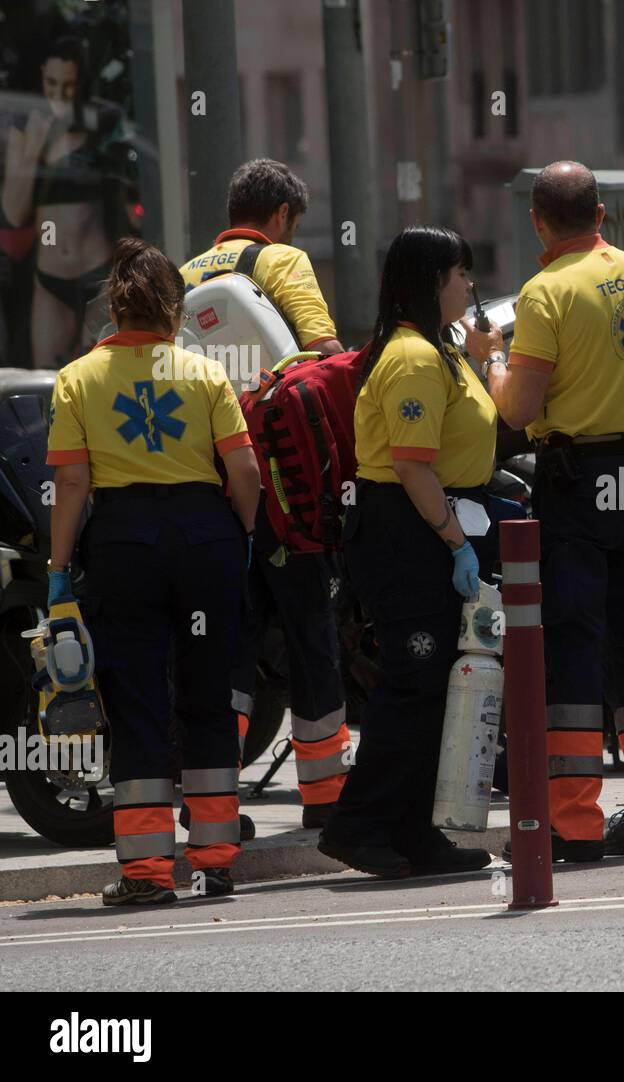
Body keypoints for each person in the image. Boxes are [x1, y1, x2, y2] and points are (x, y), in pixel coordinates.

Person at [485, 161, 624, 861]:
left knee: (573, 646)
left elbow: (516, 410)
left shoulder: (545, 292)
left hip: (576, 484)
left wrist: (488, 364)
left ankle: (574, 824)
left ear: (538, 221)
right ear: (602, 214)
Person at [46, 237, 262, 905]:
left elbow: (74, 484)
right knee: (207, 699)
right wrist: (241, 538)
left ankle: (144, 873)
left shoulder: (78, 378)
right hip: (205, 539)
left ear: (116, 305)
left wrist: (58, 574)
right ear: (174, 308)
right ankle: (217, 859)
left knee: (137, 701)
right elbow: (246, 472)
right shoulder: (204, 373)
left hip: (124, 545)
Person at [316, 226, 496, 879]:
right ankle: (358, 825)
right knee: (409, 686)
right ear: (431, 283)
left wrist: (483, 357)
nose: (469, 286)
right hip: (409, 529)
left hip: (426, 525)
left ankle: (415, 833)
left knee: (428, 690)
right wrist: (455, 542)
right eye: (460, 275)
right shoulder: (414, 357)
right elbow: (414, 466)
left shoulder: (437, 349)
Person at [180, 159, 348, 829]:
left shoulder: (181, 274)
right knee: (310, 634)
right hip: (279, 485)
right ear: (280, 217)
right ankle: (327, 806)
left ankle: (211, 809)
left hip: (205, 491)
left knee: (225, 646)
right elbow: (324, 352)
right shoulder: (280, 262)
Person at [2, 36, 135, 368]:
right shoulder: (27, 122)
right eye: (52, 84)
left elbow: (125, 187)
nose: (59, 95)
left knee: (107, 373)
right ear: (42, 74)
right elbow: (14, 213)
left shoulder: (100, 119)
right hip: (50, 277)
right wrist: (33, 153)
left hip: (98, 271)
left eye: (68, 86)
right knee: (50, 383)